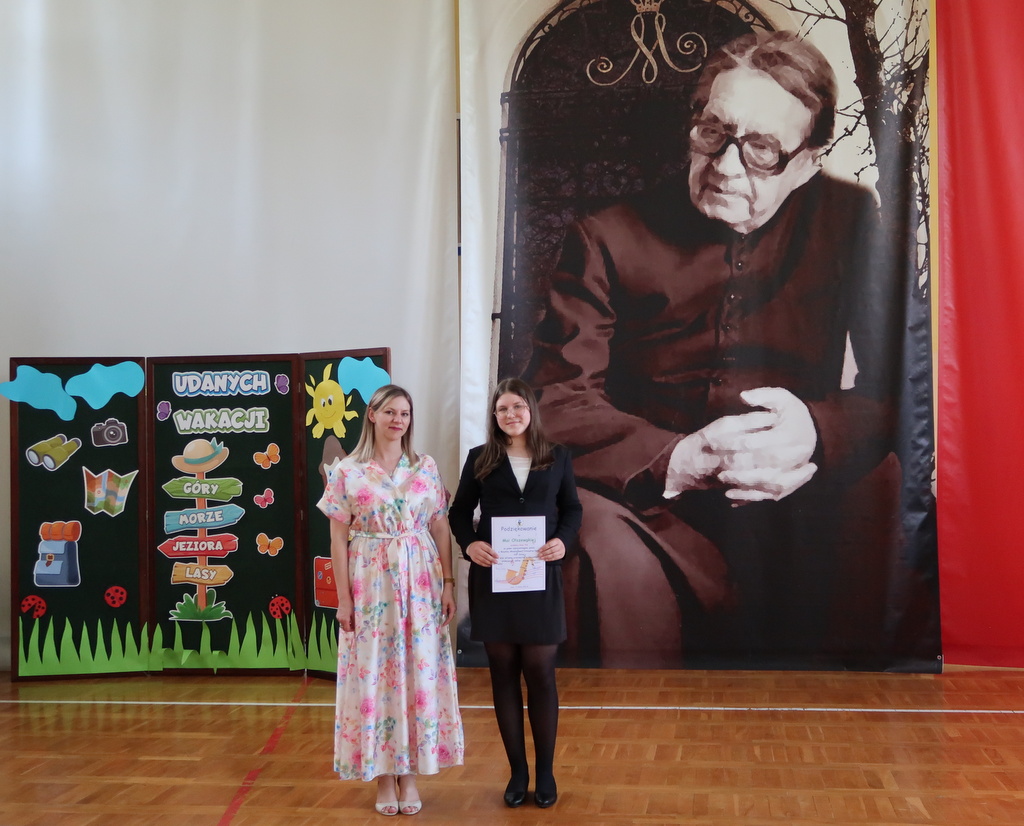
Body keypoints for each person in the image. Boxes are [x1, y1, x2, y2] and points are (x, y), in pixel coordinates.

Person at [525, 31, 903, 668]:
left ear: (809, 162)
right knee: (592, 541)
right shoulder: (604, 236)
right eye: (713, 133)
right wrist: (677, 457)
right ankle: (631, 726)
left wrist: (817, 430)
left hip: (799, 496)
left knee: (890, 510)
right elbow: (555, 399)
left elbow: (906, 381)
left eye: (762, 149)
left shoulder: (851, 221)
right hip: (647, 501)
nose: (726, 166)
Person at [317, 384, 464, 816]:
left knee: (418, 673)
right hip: (370, 583)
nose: (398, 420)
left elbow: (440, 526)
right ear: (372, 414)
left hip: (421, 581)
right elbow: (338, 541)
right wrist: (344, 600)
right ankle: (384, 776)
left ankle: (410, 773)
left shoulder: (425, 466)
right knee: (375, 676)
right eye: (390, 412)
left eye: (405, 413)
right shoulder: (347, 471)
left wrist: (449, 583)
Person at [450, 377, 583, 809]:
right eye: (503, 408)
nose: (511, 415)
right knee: (503, 675)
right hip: (495, 580)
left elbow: (573, 508)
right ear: (494, 415)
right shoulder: (480, 458)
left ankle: (545, 772)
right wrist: (470, 544)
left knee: (541, 673)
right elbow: (458, 513)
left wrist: (563, 539)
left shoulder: (557, 456)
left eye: (517, 407)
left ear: (531, 410)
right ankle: (518, 772)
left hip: (540, 578)